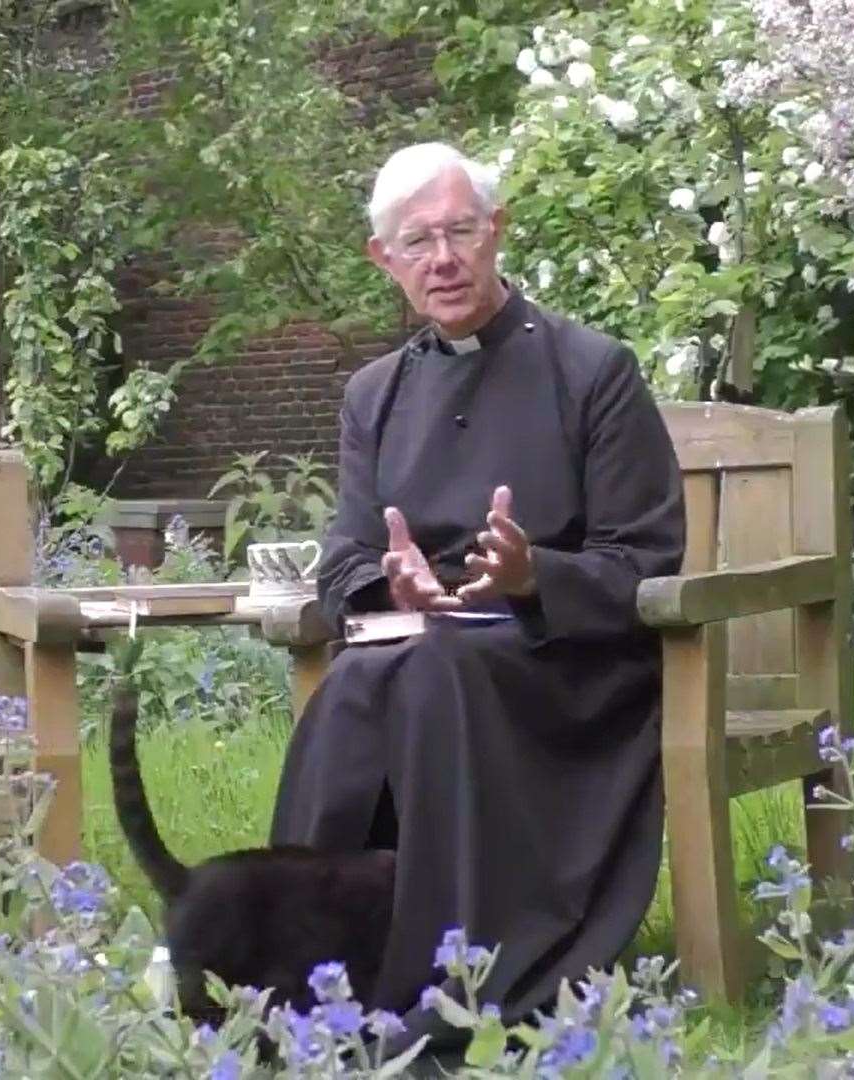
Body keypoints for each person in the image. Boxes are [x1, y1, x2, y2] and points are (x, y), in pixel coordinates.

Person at [267, 142, 687, 1056]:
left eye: (461, 231)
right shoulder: (373, 396)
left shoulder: (594, 370)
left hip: (566, 672)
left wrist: (533, 576)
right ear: (386, 261)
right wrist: (393, 581)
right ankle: (304, 978)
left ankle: (445, 982)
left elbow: (644, 560)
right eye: (417, 241)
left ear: (495, 231)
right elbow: (344, 554)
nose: (443, 258)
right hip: (431, 651)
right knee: (350, 690)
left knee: (430, 673)